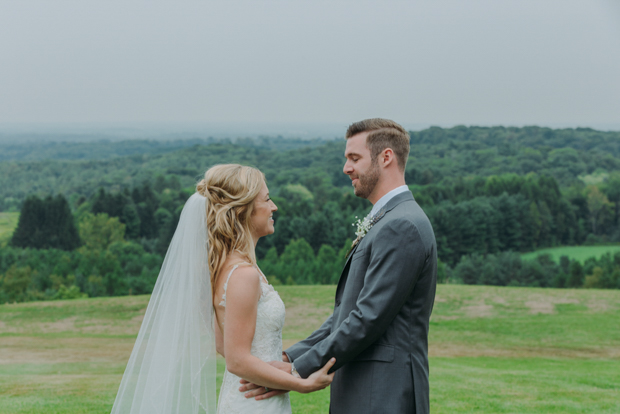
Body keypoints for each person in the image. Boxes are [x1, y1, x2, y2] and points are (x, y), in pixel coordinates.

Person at [242, 119, 437, 413]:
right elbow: (346, 313)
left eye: (354, 158)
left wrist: (296, 372)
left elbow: (367, 318)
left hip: (385, 393)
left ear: (386, 157)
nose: (346, 168)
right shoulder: (389, 220)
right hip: (367, 390)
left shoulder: (402, 226)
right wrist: (290, 358)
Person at [110, 164, 335, 414]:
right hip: (253, 403)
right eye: (267, 199)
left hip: (248, 397)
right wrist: (301, 383)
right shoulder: (243, 274)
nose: (274, 207)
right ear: (243, 210)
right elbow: (236, 359)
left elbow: (222, 345)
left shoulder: (227, 267)